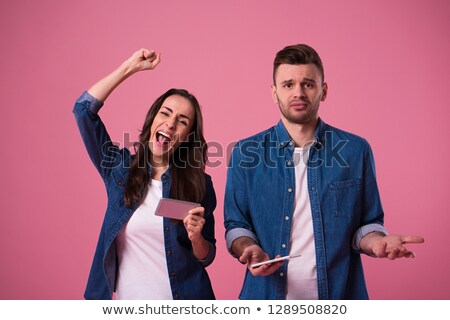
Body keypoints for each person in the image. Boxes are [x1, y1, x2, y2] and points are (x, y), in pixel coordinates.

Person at [224, 44, 424, 299]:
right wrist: (249, 248)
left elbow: (369, 223)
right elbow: (236, 224)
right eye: (288, 85)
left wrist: (377, 243)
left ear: (324, 90)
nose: (298, 93)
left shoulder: (355, 150)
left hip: (340, 297)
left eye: (308, 84)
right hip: (264, 298)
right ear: (274, 93)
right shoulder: (244, 152)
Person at [73, 48, 216, 300]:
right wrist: (129, 67)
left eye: (182, 121)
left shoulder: (199, 184)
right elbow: (83, 110)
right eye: (166, 113)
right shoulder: (120, 170)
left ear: (187, 137)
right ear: (152, 120)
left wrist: (196, 238)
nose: (171, 124)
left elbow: (207, 256)